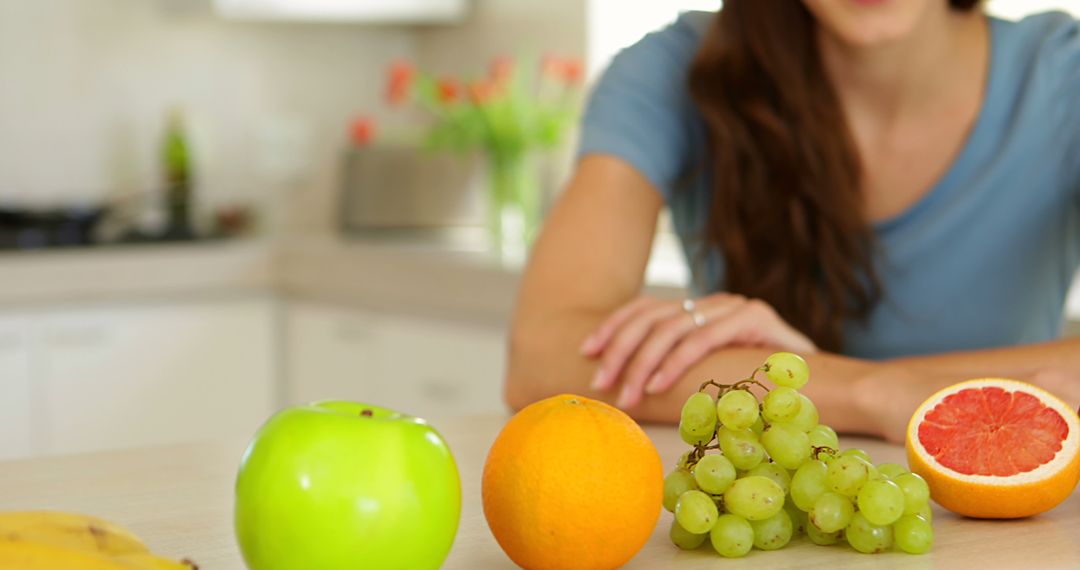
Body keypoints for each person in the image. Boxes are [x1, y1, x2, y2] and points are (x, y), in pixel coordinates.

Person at [504, 0, 1080, 442]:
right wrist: (871, 392)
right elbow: (542, 357)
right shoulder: (671, 72)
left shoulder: (1062, 74)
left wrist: (806, 379)